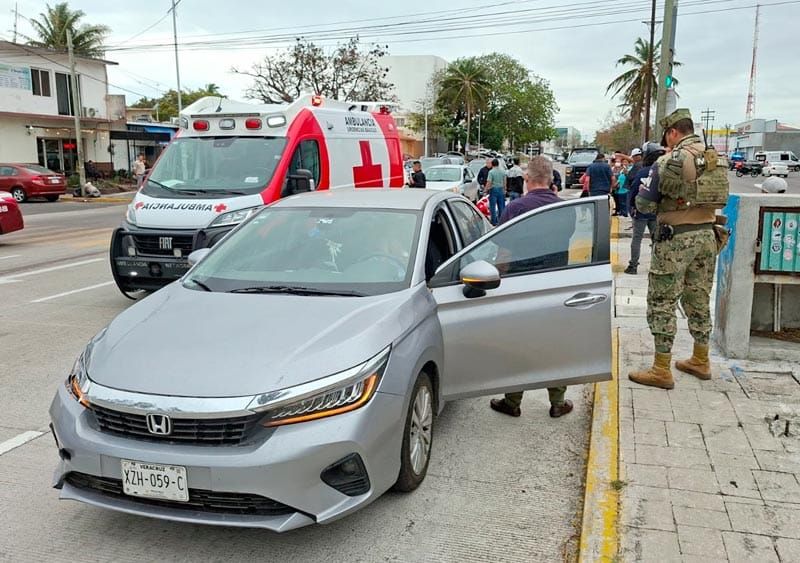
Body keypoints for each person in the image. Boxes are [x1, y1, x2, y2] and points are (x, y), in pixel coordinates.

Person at [629, 109, 719, 390]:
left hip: (675, 239)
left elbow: (644, 205)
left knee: (662, 301)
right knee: (699, 296)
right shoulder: (716, 159)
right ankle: (700, 359)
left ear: (672, 132)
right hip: (708, 236)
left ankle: (660, 369)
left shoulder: (668, 162)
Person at [488, 156, 575, 418]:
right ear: (551, 180)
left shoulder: (514, 208)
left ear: (527, 179)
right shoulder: (565, 209)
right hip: (555, 287)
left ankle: (512, 402)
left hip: (520, 288)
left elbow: (503, 254)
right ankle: (558, 402)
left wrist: (493, 281)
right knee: (554, 346)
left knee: (518, 344)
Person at [625, 143, 664, 275]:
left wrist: (631, 207)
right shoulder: (662, 171)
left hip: (640, 211)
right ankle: (657, 265)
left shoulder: (643, 171)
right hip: (656, 212)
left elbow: (634, 190)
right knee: (657, 240)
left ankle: (633, 265)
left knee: (637, 239)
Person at [486, 158, 507, 225]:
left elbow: (489, 182)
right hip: (501, 189)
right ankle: (501, 220)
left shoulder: (491, 172)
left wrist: (486, 189)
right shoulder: (503, 171)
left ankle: (494, 221)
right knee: (501, 206)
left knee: (493, 206)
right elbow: (505, 181)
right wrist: (504, 189)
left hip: (493, 189)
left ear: (492, 164)